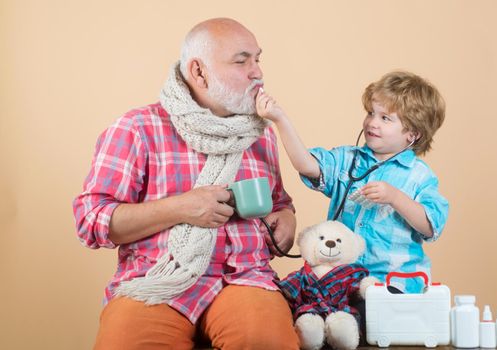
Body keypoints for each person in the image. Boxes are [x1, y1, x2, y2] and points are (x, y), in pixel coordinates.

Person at [73, 18, 300, 350]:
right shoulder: (137, 128)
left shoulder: (261, 134)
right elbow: (91, 221)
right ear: (199, 72)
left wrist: (288, 220)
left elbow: (280, 203)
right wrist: (181, 207)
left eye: (257, 59)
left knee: (266, 340)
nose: (257, 72)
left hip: (245, 277)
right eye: (242, 60)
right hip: (155, 279)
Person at [256, 71, 449, 294]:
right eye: (370, 113)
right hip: (342, 281)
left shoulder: (419, 176)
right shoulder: (348, 159)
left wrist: (395, 198)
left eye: (385, 118)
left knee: (379, 324)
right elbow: (306, 164)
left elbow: (431, 225)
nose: (372, 123)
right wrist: (280, 119)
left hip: (394, 284)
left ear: (413, 134)